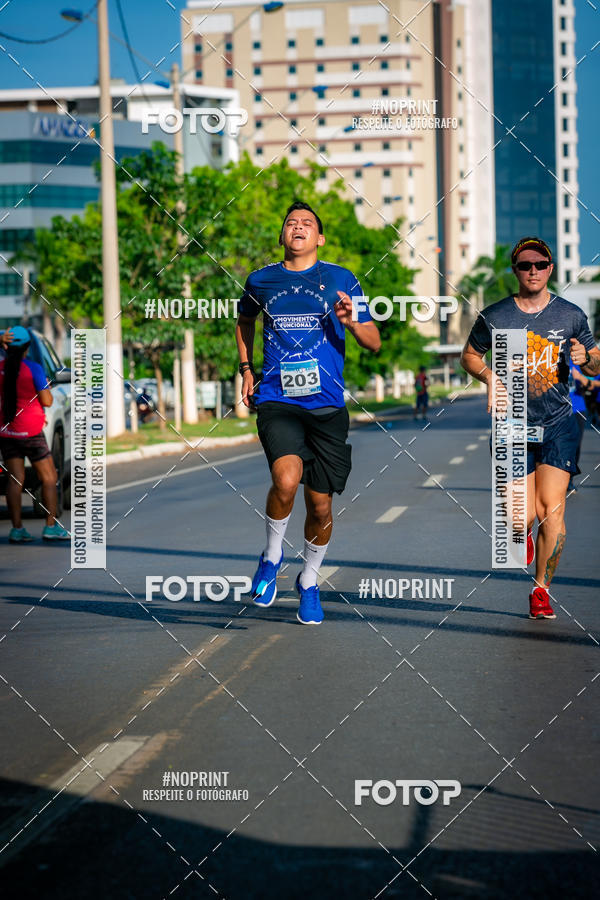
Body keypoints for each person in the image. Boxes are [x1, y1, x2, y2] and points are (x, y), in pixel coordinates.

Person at [236, 200, 380, 625]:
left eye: (307, 223)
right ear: (282, 236)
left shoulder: (342, 279)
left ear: (319, 238)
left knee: (320, 507)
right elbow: (244, 322)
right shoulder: (261, 280)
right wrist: (246, 370)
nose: (297, 227)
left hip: (328, 407)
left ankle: (309, 581)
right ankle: (271, 556)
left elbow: (374, 342)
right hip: (278, 401)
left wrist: (353, 322)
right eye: (290, 223)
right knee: (286, 478)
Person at [460, 237, 599, 619]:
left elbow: (596, 363)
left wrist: (585, 356)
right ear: (516, 271)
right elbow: (469, 356)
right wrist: (490, 377)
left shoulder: (570, 314)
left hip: (558, 424)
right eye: (525, 265)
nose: (533, 271)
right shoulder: (496, 315)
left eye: (540, 264)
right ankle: (520, 536)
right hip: (511, 425)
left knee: (552, 513)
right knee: (517, 518)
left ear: (551, 268)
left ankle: (541, 590)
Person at [0, 326, 69, 542]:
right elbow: (47, 400)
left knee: (15, 480)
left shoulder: (1, 368)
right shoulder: (33, 369)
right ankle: (50, 527)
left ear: (6, 346)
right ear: (27, 347)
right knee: (49, 478)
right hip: (31, 433)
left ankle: (17, 529)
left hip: (7, 432)